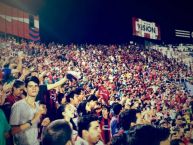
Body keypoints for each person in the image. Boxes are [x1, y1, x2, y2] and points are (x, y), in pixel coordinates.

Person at [9, 76, 49, 145]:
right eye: (30, 86)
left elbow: (35, 127)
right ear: (25, 89)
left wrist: (43, 123)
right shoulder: (18, 106)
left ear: (38, 88)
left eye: (36, 86)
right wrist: (32, 120)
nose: (34, 88)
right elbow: (12, 132)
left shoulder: (37, 106)